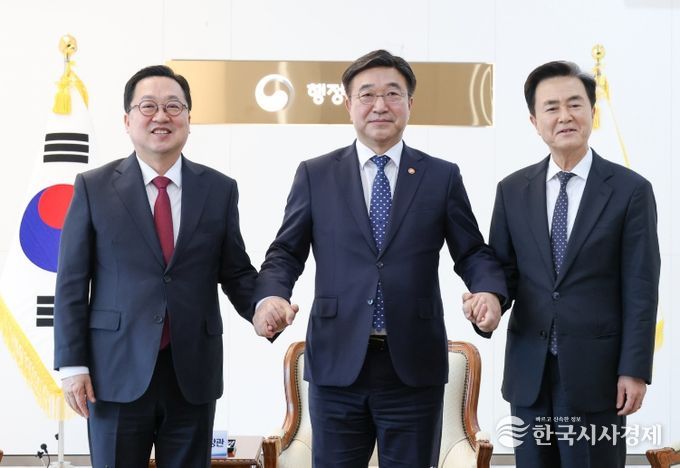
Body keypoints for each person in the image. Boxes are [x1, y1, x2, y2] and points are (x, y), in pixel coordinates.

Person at [252, 49, 507, 467]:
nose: (380, 105)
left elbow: (472, 251)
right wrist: (270, 297)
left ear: (410, 103)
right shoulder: (316, 174)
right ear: (349, 104)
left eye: (393, 93)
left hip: (413, 365)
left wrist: (489, 292)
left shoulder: (441, 176)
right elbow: (285, 251)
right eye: (367, 94)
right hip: (337, 363)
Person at [53, 65, 258, 468]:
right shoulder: (93, 187)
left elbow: (235, 271)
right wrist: (73, 365)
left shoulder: (219, 189)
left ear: (188, 119)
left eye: (173, 106)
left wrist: (263, 305)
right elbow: (72, 283)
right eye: (148, 106)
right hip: (114, 371)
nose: (161, 116)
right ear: (127, 120)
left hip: (192, 372)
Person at [465, 61, 660, 467]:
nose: (565, 116)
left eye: (575, 104)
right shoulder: (512, 190)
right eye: (551, 107)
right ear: (535, 122)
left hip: (598, 375)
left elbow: (641, 288)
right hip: (530, 374)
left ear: (592, 112)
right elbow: (505, 273)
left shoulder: (630, 191)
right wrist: (490, 303)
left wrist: (634, 369)